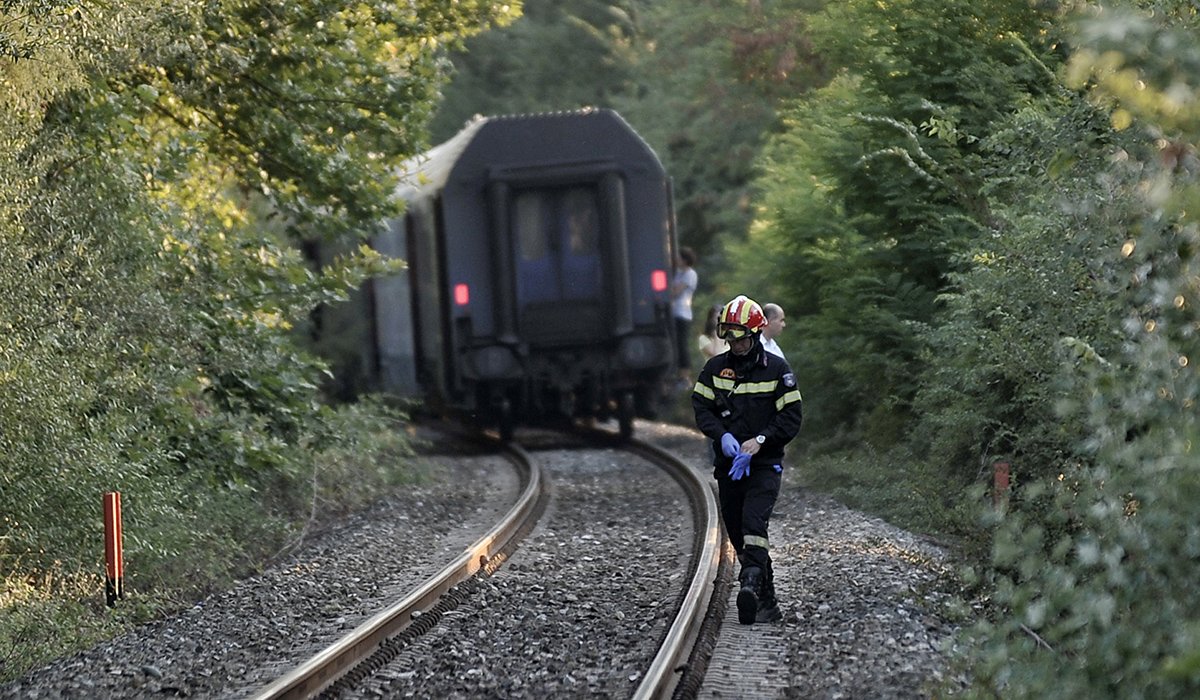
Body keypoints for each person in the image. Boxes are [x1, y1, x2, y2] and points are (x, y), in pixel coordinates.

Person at [692, 295, 803, 624]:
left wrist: (761, 441)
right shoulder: (715, 370)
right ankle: (767, 598)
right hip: (729, 467)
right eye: (731, 339)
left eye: (741, 339)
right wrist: (721, 436)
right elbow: (702, 408)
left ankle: (750, 585)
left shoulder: (778, 371)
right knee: (739, 532)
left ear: (755, 334)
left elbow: (791, 417)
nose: (736, 345)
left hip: (765, 464)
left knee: (755, 525)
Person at [671, 247, 698, 384]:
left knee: (682, 343)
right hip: (674, 312)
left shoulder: (690, 274)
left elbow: (676, 291)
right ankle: (678, 373)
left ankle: (685, 374)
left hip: (682, 312)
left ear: (685, 260)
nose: (676, 260)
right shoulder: (679, 274)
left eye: (679, 258)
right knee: (676, 343)